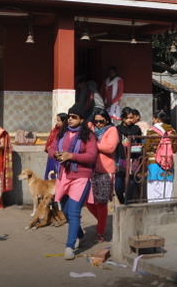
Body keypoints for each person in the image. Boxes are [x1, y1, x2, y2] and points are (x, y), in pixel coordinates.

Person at [48, 103, 98, 260]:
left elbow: (91, 156)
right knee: (66, 211)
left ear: (82, 119)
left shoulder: (88, 136)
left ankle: (69, 246)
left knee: (74, 212)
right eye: (69, 116)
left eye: (74, 117)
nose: (70, 119)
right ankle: (80, 234)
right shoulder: (62, 133)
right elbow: (50, 148)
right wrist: (55, 154)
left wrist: (71, 156)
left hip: (81, 177)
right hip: (63, 176)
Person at [86, 108, 119, 242]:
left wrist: (93, 145)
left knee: (101, 202)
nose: (99, 124)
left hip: (105, 170)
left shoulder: (112, 130)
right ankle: (102, 222)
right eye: (96, 121)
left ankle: (100, 231)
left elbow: (110, 147)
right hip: (90, 169)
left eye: (101, 121)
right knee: (87, 201)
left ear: (107, 120)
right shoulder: (91, 128)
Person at [144, 110, 177, 202]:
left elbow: (147, 148)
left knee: (153, 189)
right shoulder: (173, 131)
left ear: (156, 119)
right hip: (168, 162)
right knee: (167, 189)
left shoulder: (151, 131)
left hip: (154, 163)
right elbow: (174, 149)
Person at [114, 107, 143, 204]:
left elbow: (140, 143)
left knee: (131, 184)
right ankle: (122, 202)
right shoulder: (118, 129)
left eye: (131, 118)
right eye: (127, 118)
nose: (129, 120)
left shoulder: (136, 129)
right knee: (118, 186)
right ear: (122, 118)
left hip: (133, 159)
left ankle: (128, 204)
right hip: (121, 159)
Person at [43, 113, 67, 179]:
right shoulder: (55, 130)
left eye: (59, 121)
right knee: (49, 173)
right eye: (57, 120)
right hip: (51, 155)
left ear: (64, 122)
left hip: (57, 156)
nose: (57, 122)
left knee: (55, 174)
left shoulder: (65, 131)